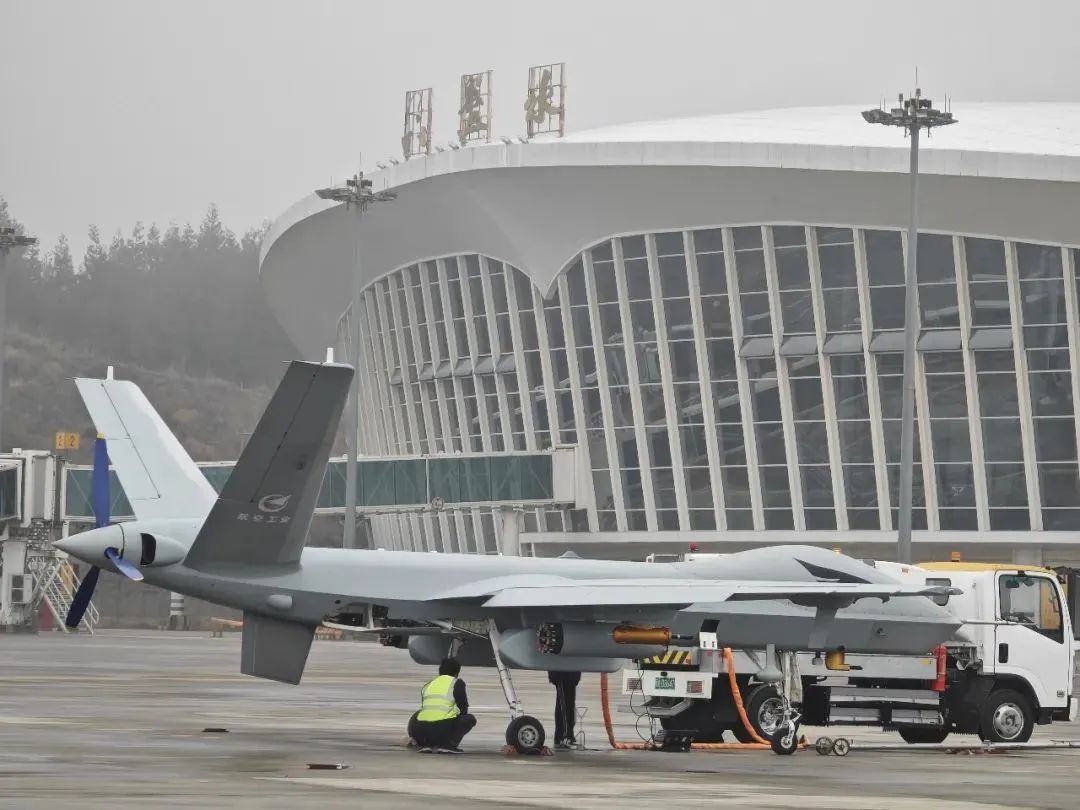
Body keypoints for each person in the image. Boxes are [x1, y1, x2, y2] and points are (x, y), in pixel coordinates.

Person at [408, 657, 477, 753]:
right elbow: (463, 707)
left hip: (421, 731)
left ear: (440, 671)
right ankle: (449, 745)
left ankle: (425, 744)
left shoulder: (428, 684)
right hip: (442, 730)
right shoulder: (456, 682)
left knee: (419, 714)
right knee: (469, 719)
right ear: (456, 673)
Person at [548, 670, 581, 749]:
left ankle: (568, 734)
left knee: (569, 704)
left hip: (571, 674)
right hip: (562, 674)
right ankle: (563, 736)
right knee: (564, 704)